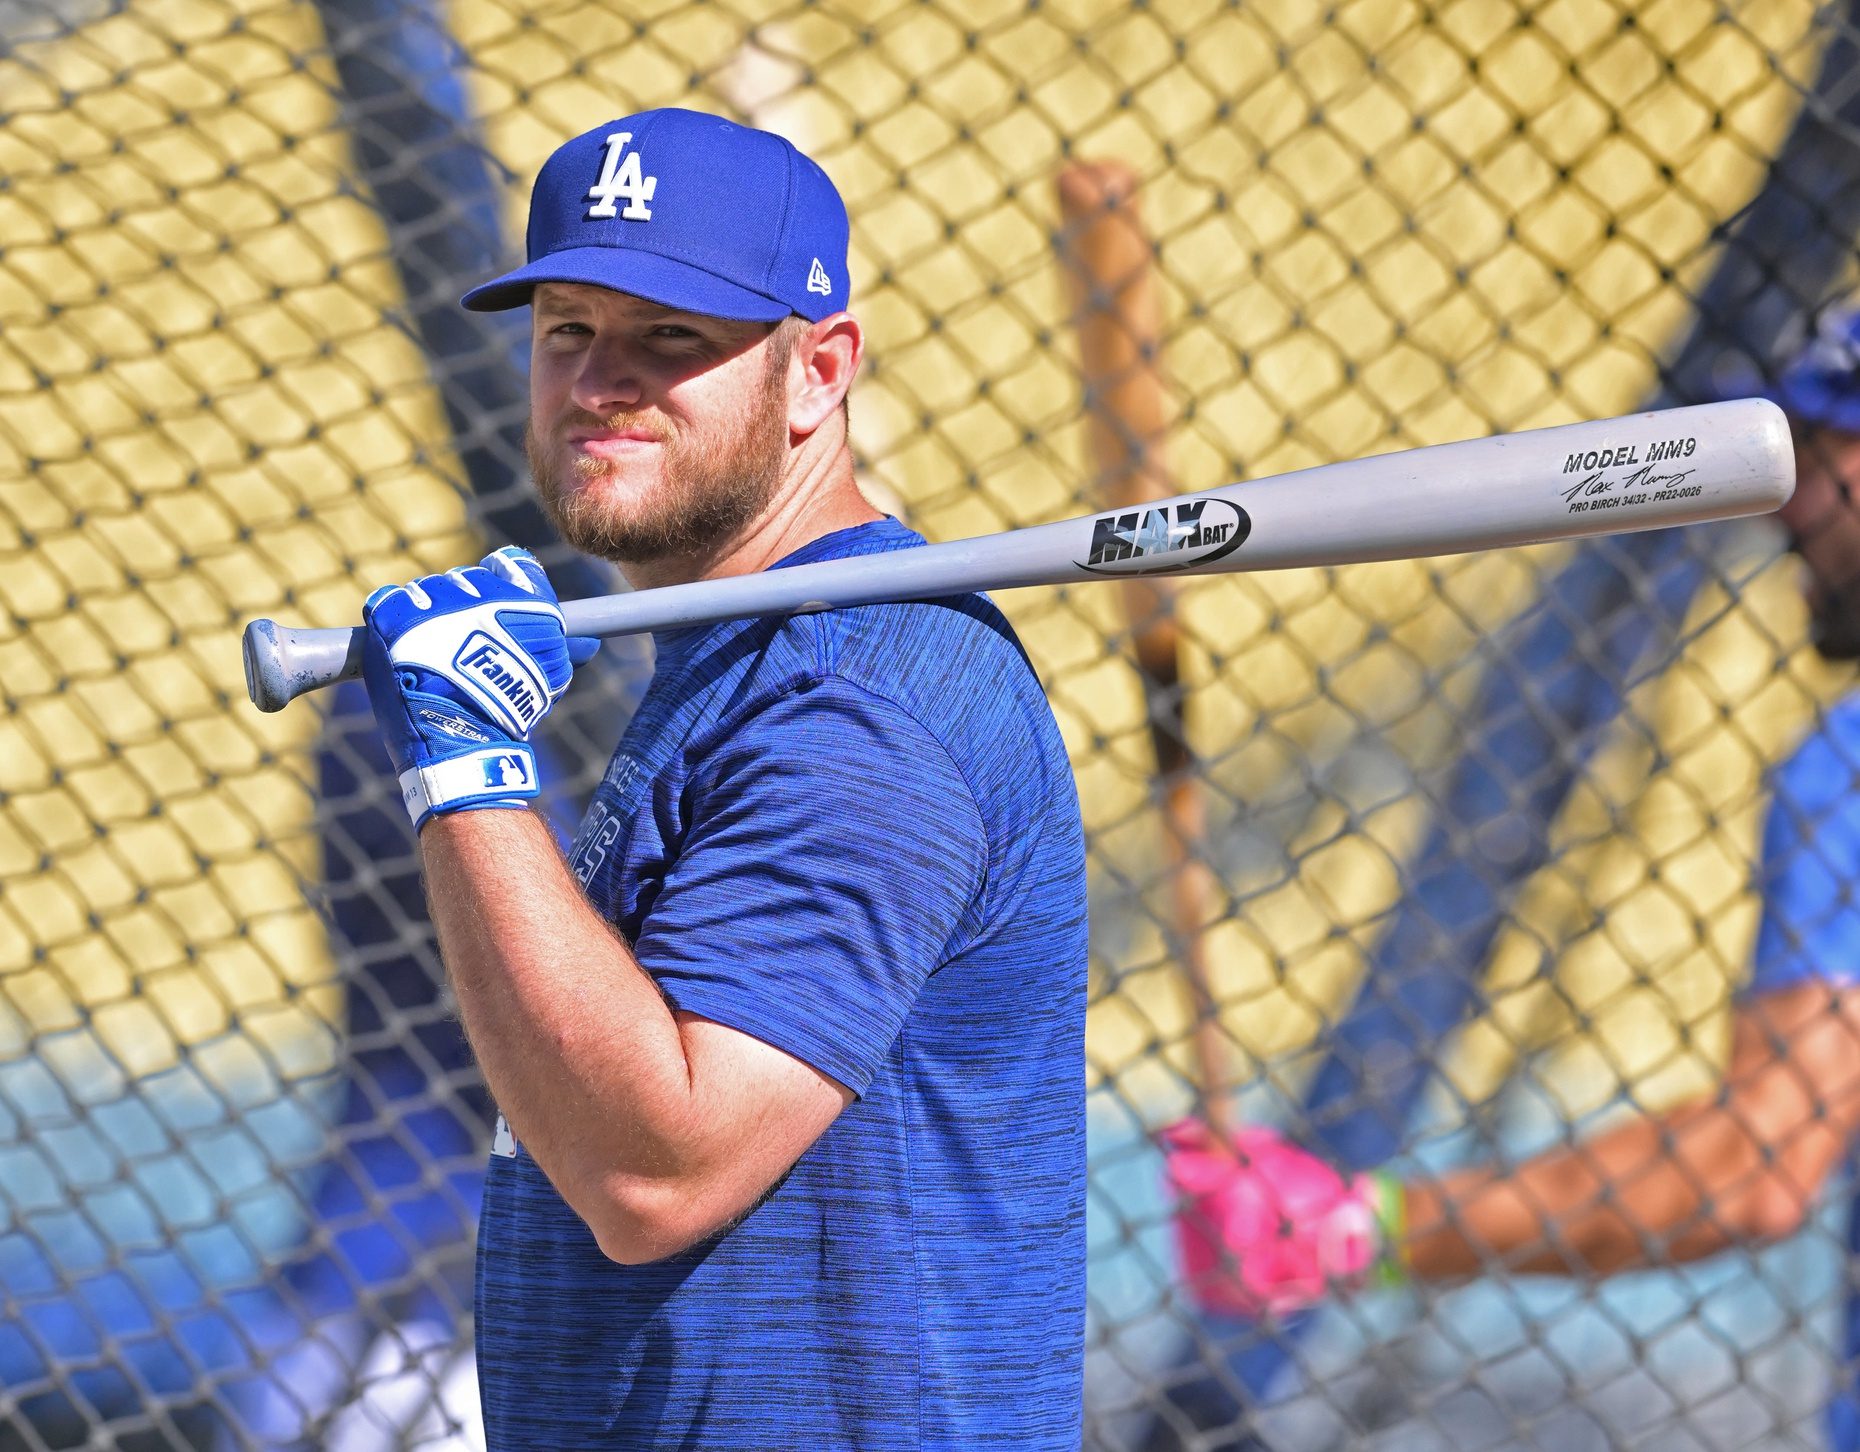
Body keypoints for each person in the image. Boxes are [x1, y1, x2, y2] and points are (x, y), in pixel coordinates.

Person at [353, 108, 1089, 1448]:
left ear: (819, 374)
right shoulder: (748, 659)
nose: (596, 383)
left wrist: (467, 774)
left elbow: (655, 1171)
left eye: (672, 339)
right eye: (566, 329)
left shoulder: (852, 710)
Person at [1165, 314, 1860, 1441]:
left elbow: (1756, 1163)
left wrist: (1354, 1229)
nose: (1778, 508)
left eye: (1816, 459)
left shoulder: (1849, 767)